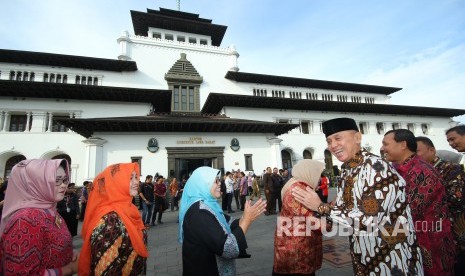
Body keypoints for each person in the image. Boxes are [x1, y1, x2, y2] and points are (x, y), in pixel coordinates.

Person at [292, 118, 423, 275]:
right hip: (365, 256)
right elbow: (344, 209)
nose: (333, 145)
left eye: (338, 138)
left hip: (392, 260)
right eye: (329, 141)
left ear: (357, 137)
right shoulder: (348, 170)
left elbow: (368, 221)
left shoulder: (375, 168)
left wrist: (320, 206)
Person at [381, 129, 455, 275]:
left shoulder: (422, 171)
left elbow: (409, 210)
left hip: (429, 242)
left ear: (403, 144)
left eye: (385, 144)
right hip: (406, 240)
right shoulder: (394, 169)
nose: (382, 148)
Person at [178, 166, 267, 275]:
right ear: (203, 184)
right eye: (215, 181)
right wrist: (247, 220)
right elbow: (228, 248)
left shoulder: (209, 204)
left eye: (219, 180)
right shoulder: (199, 213)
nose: (220, 183)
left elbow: (228, 223)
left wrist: (246, 216)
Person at [0, 159, 78, 275]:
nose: (63, 185)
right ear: (35, 183)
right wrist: (69, 269)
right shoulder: (26, 220)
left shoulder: (50, 210)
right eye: (56, 181)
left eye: (64, 180)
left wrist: (68, 253)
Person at [79, 162, 148, 275]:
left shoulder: (129, 209)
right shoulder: (109, 221)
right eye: (130, 178)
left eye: (137, 177)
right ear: (116, 183)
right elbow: (105, 269)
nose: (136, 182)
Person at [416, 136, 465, 275]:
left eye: (417, 151)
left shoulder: (451, 169)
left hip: (454, 228)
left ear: (432, 150)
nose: (414, 156)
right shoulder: (418, 173)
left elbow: (456, 198)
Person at [273, 159, 325, 276]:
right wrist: (330, 212)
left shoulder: (295, 183)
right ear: (309, 172)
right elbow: (316, 224)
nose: (319, 178)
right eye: (318, 174)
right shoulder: (299, 190)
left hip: (292, 245)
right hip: (296, 252)